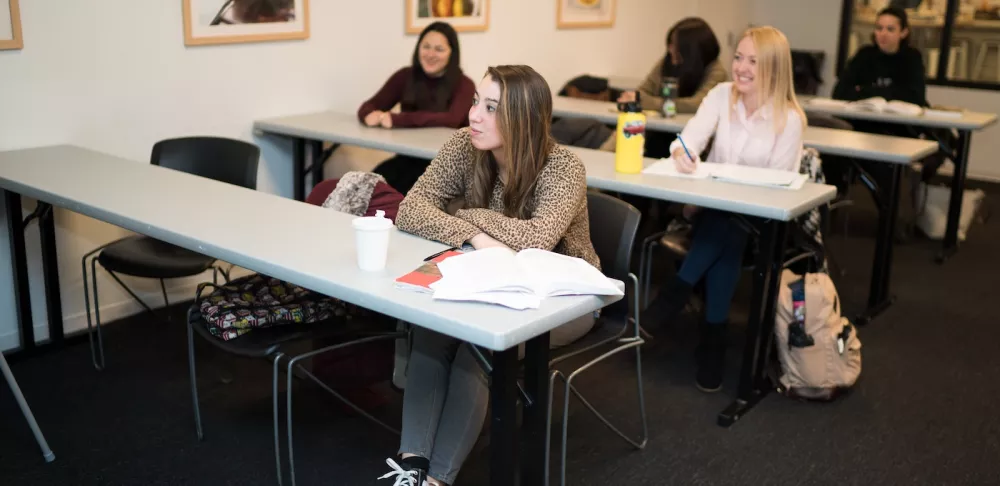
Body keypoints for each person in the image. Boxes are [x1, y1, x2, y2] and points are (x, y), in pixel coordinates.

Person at [377, 65, 600, 486]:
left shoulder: (563, 167)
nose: (473, 114)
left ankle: (438, 478)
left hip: (564, 296)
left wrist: (467, 215)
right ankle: (411, 465)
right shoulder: (465, 145)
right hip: (486, 278)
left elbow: (539, 237)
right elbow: (411, 208)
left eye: (491, 107)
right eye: (477, 101)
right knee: (431, 329)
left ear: (524, 118)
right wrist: (476, 237)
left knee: (477, 349)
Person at [656, 26, 805, 393]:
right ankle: (712, 341)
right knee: (724, 229)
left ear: (773, 67)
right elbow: (687, 140)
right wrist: (684, 154)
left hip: (760, 223)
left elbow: (777, 189)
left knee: (730, 226)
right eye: (738, 57)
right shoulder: (721, 95)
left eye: (753, 60)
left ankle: (678, 292)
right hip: (713, 212)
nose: (741, 67)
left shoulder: (788, 118)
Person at [357, 21, 476, 195]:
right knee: (367, 186)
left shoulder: (464, 84)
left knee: (403, 196)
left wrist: (396, 119)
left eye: (439, 49)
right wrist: (368, 114)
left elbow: (451, 119)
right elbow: (369, 106)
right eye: (426, 47)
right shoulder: (405, 76)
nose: (431, 54)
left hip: (446, 167)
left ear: (452, 53)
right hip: (408, 159)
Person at [618, 17, 729, 115]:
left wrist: (651, 103)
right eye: (670, 44)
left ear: (692, 51)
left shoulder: (716, 71)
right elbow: (642, 92)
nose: (671, 50)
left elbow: (698, 104)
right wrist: (635, 98)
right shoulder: (667, 62)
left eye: (676, 46)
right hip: (659, 130)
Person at [833, 6, 927, 108]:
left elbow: (916, 98)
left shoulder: (912, 57)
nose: (883, 34)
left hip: (898, 120)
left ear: (903, 32)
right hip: (864, 117)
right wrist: (890, 92)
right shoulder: (864, 54)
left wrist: (865, 90)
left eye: (890, 29)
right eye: (879, 28)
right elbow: (839, 93)